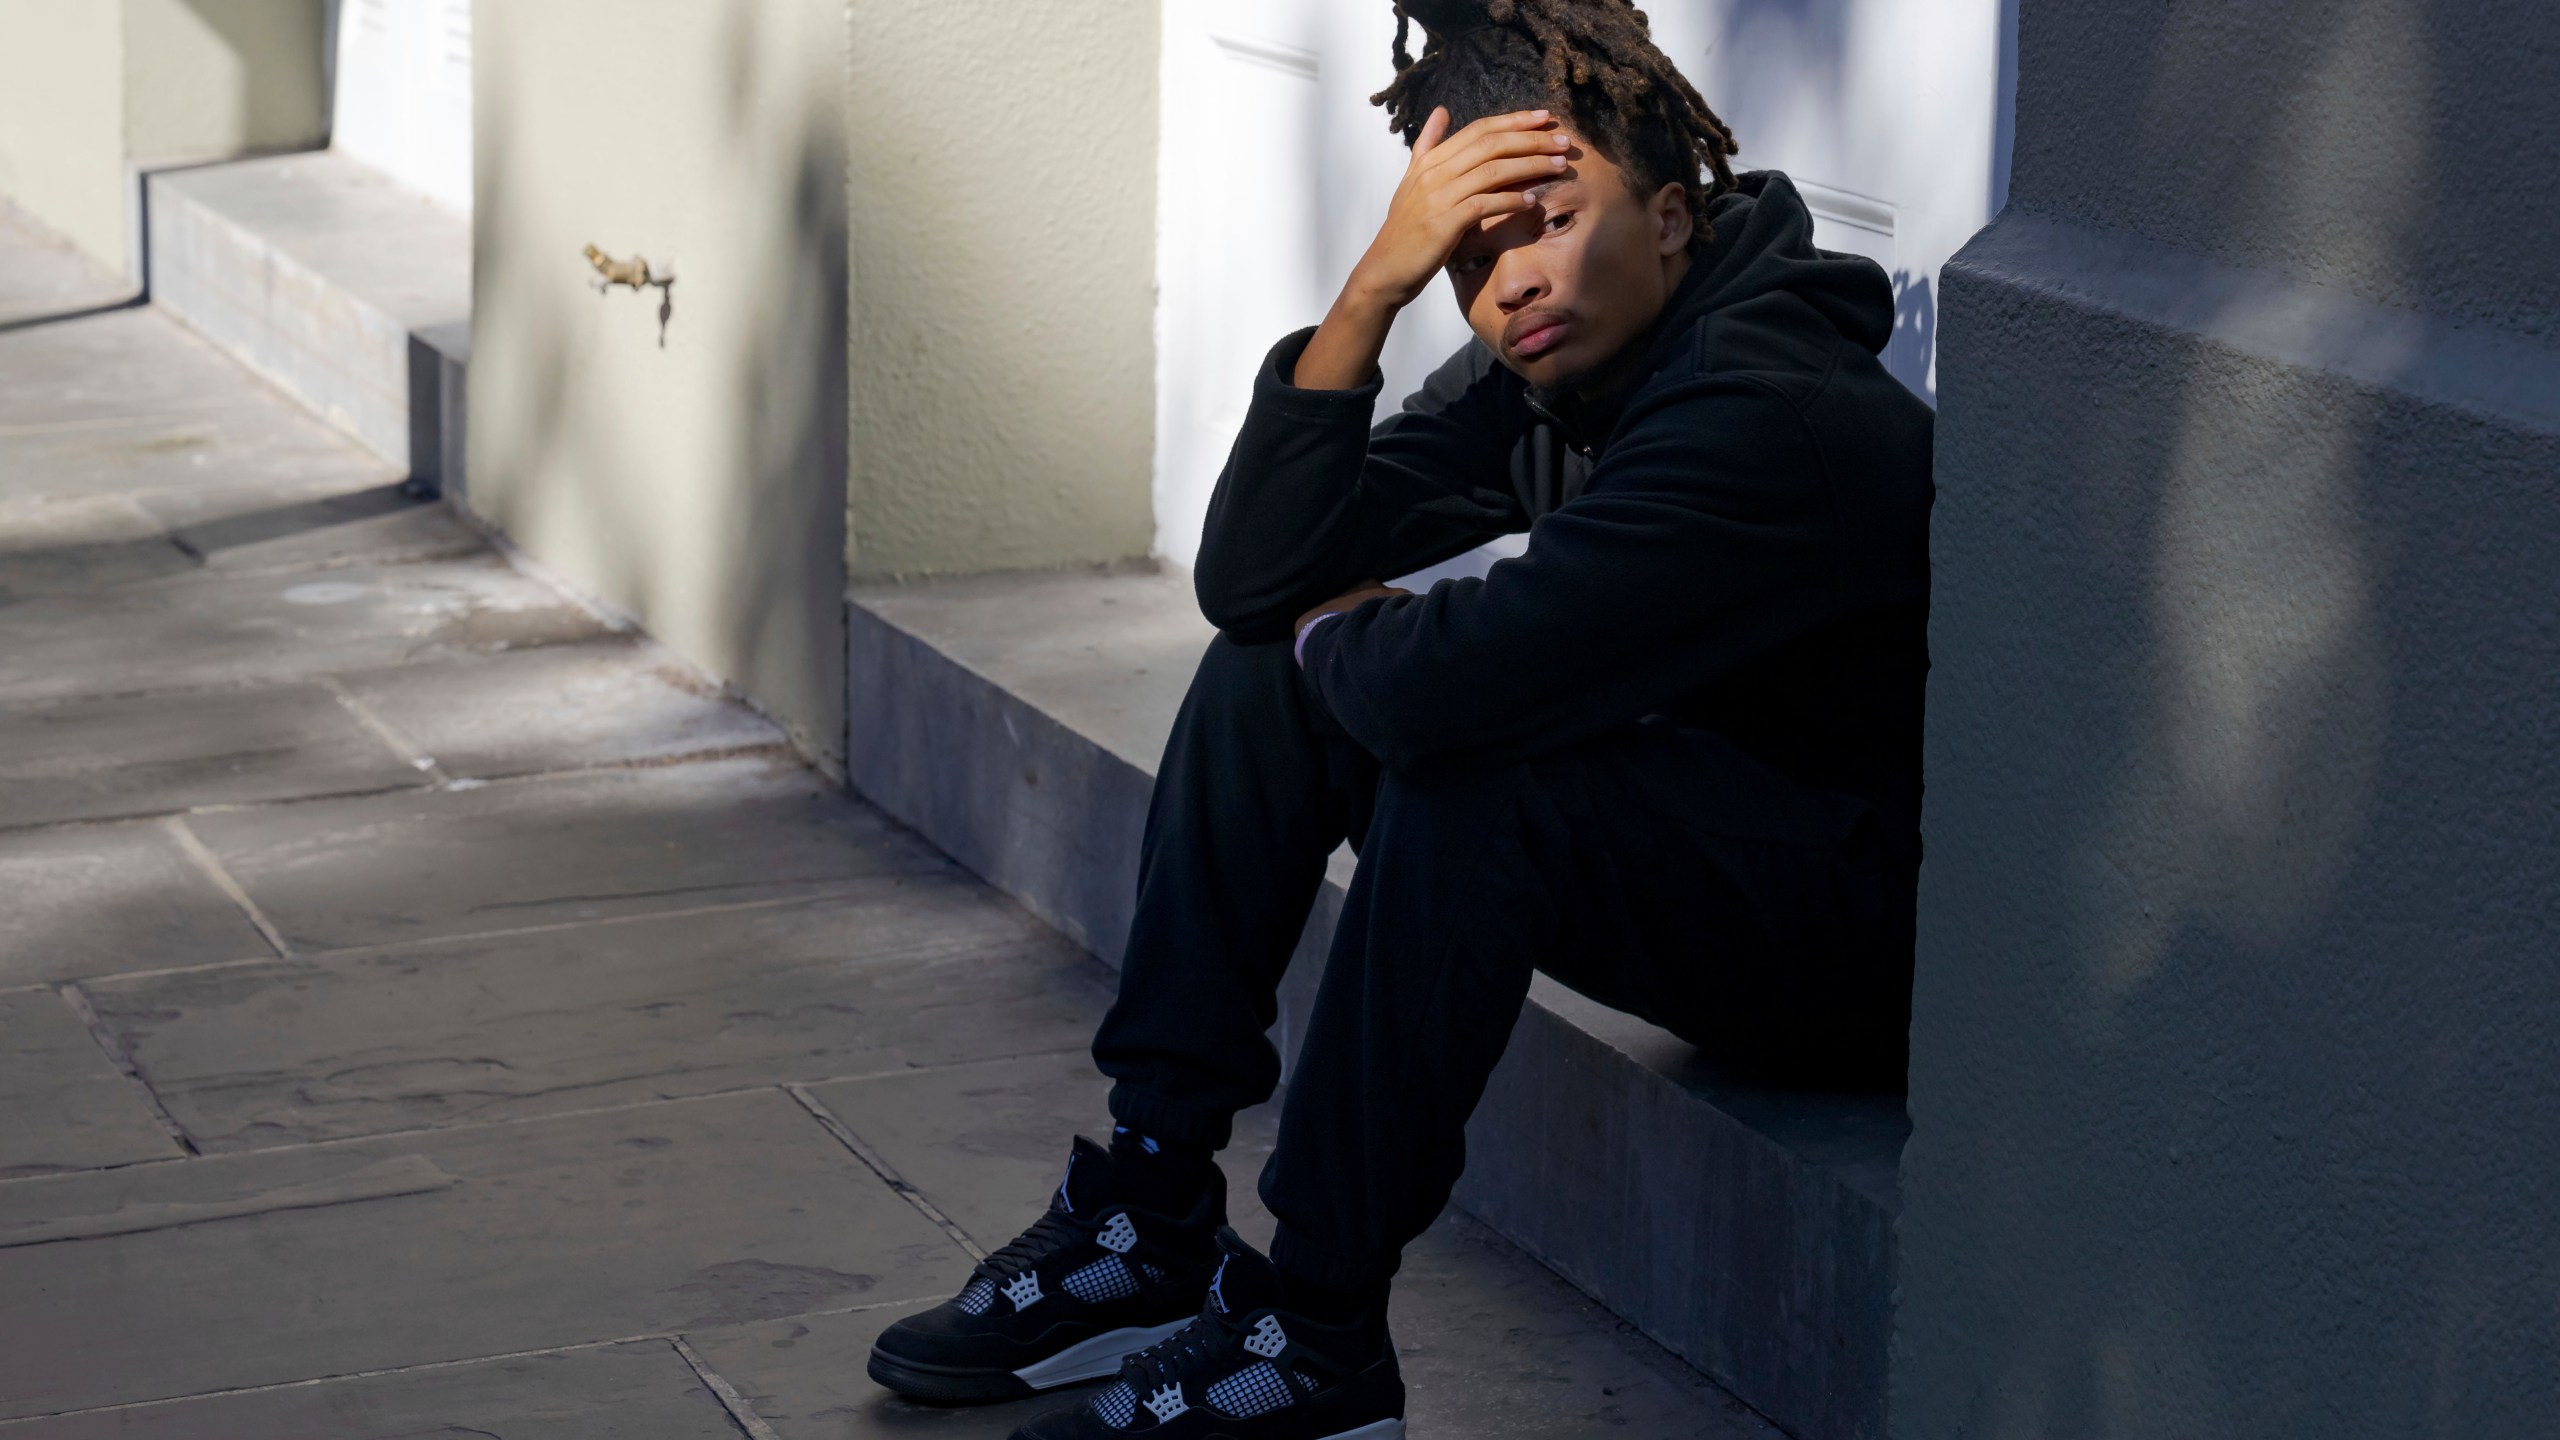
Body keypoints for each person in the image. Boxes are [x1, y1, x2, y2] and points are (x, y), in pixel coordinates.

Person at [868, 2, 1933, 1435]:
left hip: (1857, 952)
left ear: (1673, 217)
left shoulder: (1768, 413)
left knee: (1474, 777)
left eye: (1549, 222)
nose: (1511, 284)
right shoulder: (1562, 363)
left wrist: (1342, 634)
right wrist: (1368, 294)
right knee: (1274, 668)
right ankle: (1147, 1207)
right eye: (1470, 254)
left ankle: (1313, 1339)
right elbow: (1255, 582)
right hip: (1721, 861)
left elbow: (1446, 688)